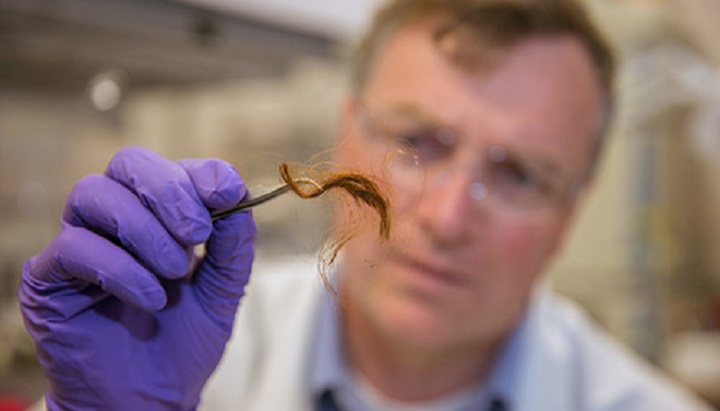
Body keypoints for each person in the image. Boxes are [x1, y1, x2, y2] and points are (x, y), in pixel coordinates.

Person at [18, 0, 714, 410]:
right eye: (417, 142)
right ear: (345, 131)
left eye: (522, 176)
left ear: (572, 210)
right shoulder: (187, 351)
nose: (446, 218)